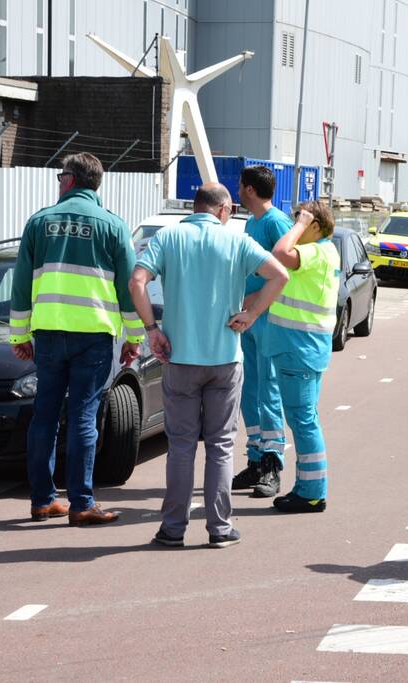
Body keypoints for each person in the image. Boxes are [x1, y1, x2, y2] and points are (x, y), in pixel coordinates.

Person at [129, 183, 288, 548]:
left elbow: (137, 281)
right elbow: (280, 275)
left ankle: (172, 529)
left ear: (196, 206)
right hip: (225, 359)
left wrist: (151, 329)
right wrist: (250, 314)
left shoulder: (170, 238)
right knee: (220, 445)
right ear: (225, 210)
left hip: (180, 358)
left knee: (181, 445)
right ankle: (219, 528)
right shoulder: (236, 241)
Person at [9, 152, 143, 527]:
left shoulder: (40, 222)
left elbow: (21, 285)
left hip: (50, 334)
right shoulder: (114, 226)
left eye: (59, 177)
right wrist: (134, 339)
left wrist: (19, 335)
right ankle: (81, 503)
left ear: (69, 180)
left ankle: (42, 501)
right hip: (94, 337)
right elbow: (128, 290)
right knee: (85, 416)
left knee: (45, 417)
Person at [263, 200, 340, 513]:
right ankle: (309, 488)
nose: (295, 225)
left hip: (299, 348)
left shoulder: (316, 251)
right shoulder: (325, 252)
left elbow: (279, 253)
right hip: (303, 348)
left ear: (317, 227)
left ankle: (311, 492)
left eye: (303, 220)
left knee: (303, 420)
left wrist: (297, 226)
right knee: (306, 418)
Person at [231, 166, 293, 499]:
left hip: (267, 319)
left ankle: (273, 464)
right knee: (250, 391)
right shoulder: (253, 223)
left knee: (268, 392)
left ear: (251, 190)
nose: (237, 191)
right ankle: (255, 458)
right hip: (251, 319)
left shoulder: (275, 223)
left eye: (241, 186)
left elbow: (286, 275)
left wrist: (253, 302)